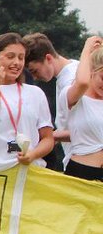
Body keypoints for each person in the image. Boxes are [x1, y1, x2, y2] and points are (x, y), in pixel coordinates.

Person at [0, 32, 54, 175]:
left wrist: (33, 154)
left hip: (30, 173)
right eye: (10, 57)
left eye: (21, 58)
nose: (17, 63)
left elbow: (48, 138)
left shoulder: (35, 93)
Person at [23, 32, 79, 169]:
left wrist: (49, 136)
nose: (35, 78)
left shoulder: (71, 81)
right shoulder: (71, 71)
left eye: (35, 71)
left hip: (81, 161)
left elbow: (87, 130)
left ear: (48, 58)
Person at [61, 36, 103, 182]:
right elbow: (83, 82)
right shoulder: (76, 97)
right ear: (92, 71)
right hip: (82, 172)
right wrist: (87, 50)